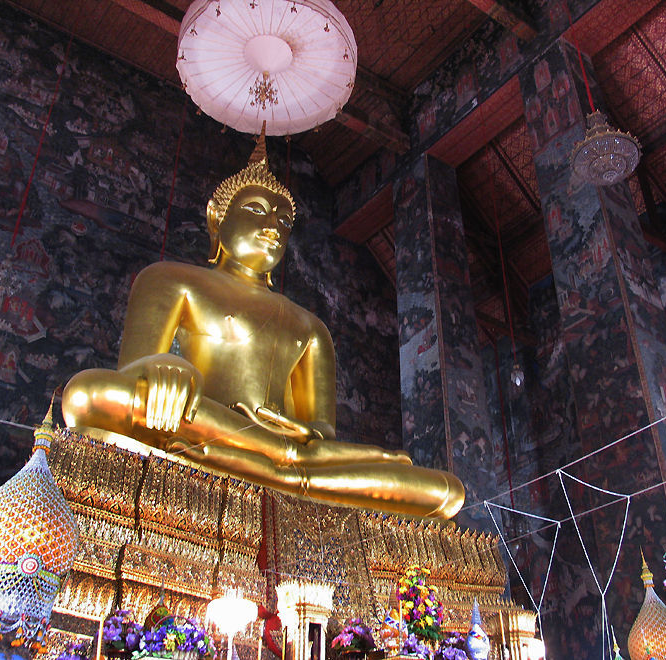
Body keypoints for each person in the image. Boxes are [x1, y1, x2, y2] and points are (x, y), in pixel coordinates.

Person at [62, 129, 464, 519]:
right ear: (217, 217)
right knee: (87, 395)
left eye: (285, 219)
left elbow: (322, 432)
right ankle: (284, 473)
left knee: (446, 492)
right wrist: (166, 368)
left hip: (279, 447)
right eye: (256, 209)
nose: (274, 225)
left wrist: (301, 434)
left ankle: (279, 468)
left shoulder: (310, 327)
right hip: (198, 420)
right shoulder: (170, 279)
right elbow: (133, 371)